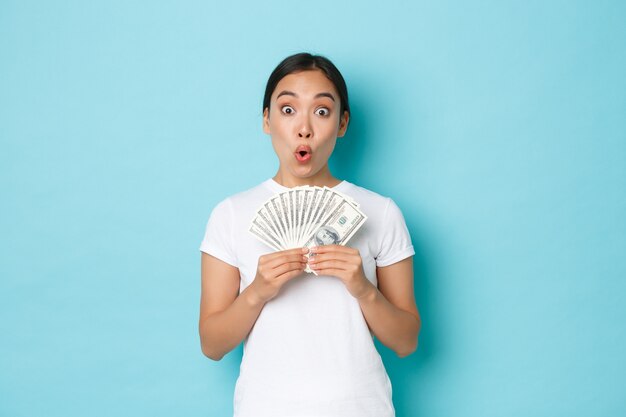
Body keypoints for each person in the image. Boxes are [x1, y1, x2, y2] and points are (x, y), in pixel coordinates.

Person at [199, 52, 421, 417]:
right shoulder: (230, 214)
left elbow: (406, 340)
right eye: (288, 110)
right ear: (267, 120)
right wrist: (257, 292)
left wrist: (362, 287)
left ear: (343, 122)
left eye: (322, 111)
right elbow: (212, 343)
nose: (304, 128)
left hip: (360, 407)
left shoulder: (380, 211)